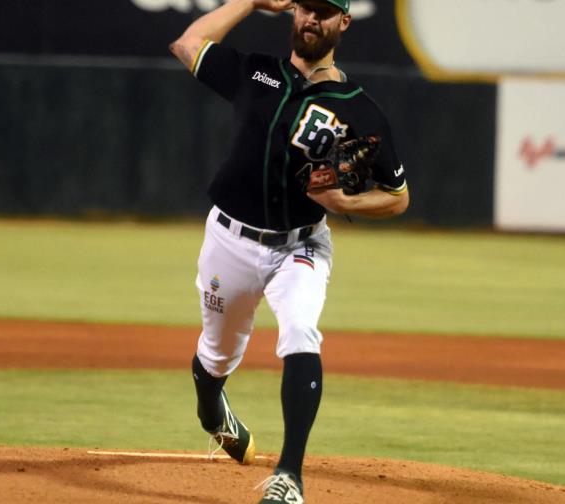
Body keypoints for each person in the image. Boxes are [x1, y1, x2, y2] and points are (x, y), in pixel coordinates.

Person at [169, 0, 409, 502]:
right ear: (292, 12)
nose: (311, 19)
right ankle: (211, 411)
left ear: (344, 21)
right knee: (216, 357)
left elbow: (398, 197)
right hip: (229, 241)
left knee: (301, 332)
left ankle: (289, 477)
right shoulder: (257, 73)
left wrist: (347, 202)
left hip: (301, 246)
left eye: (325, 11)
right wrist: (250, 1)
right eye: (304, 7)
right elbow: (187, 44)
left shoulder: (359, 108)